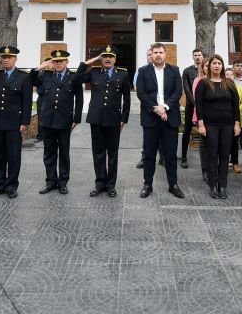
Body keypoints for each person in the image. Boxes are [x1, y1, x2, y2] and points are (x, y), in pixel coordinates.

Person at [75, 45, 131, 198]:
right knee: (98, 153)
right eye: (104, 56)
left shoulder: (123, 74)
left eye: (110, 56)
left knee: (112, 153)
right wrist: (89, 62)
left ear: (115, 59)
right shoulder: (93, 72)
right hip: (97, 119)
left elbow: (127, 98)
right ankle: (100, 183)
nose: (107, 59)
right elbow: (76, 79)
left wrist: (124, 119)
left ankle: (111, 185)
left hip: (114, 119)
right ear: (101, 59)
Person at [136, 42, 185, 199]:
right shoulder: (143, 71)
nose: (158, 55)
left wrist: (165, 107)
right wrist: (156, 109)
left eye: (160, 52)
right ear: (151, 54)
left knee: (170, 155)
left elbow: (178, 92)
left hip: (170, 118)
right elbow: (141, 93)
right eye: (155, 52)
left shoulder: (174, 70)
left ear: (165, 54)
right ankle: (147, 184)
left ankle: (173, 185)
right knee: (149, 154)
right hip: (151, 118)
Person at [31, 49, 84, 195]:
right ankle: (50, 181)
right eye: (55, 61)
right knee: (49, 152)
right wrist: (41, 66)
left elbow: (79, 98)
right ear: (52, 62)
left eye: (61, 61)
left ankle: (63, 182)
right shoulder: (45, 76)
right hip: (47, 120)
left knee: (64, 152)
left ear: (67, 62)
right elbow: (31, 79)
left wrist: (76, 118)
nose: (58, 63)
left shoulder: (73, 77)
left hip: (64, 120)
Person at [0, 46, 32, 199]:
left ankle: (11, 185)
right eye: (3, 58)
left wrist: (24, 122)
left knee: (13, 155)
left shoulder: (23, 77)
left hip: (14, 122)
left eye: (9, 57)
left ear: (15, 59)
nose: (6, 60)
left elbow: (27, 102)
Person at [196, 55, 241, 199]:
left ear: (222, 66)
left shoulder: (229, 83)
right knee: (212, 155)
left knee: (224, 155)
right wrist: (201, 124)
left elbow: (235, 106)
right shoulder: (203, 83)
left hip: (228, 125)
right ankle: (213, 185)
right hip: (210, 126)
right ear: (209, 66)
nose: (216, 65)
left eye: (219, 63)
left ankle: (223, 185)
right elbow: (199, 105)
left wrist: (237, 123)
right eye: (214, 63)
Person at [180, 48, 205, 169]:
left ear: (202, 56)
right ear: (192, 57)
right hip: (191, 105)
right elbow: (187, 89)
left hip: (206, 107)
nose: (197, 57)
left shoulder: (207, 71)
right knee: (187, 131)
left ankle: (207, 158)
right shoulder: (187, 71)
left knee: (206, 130)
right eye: (195, 55)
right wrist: (195, 103)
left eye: (199, 55)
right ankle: (184, 157)